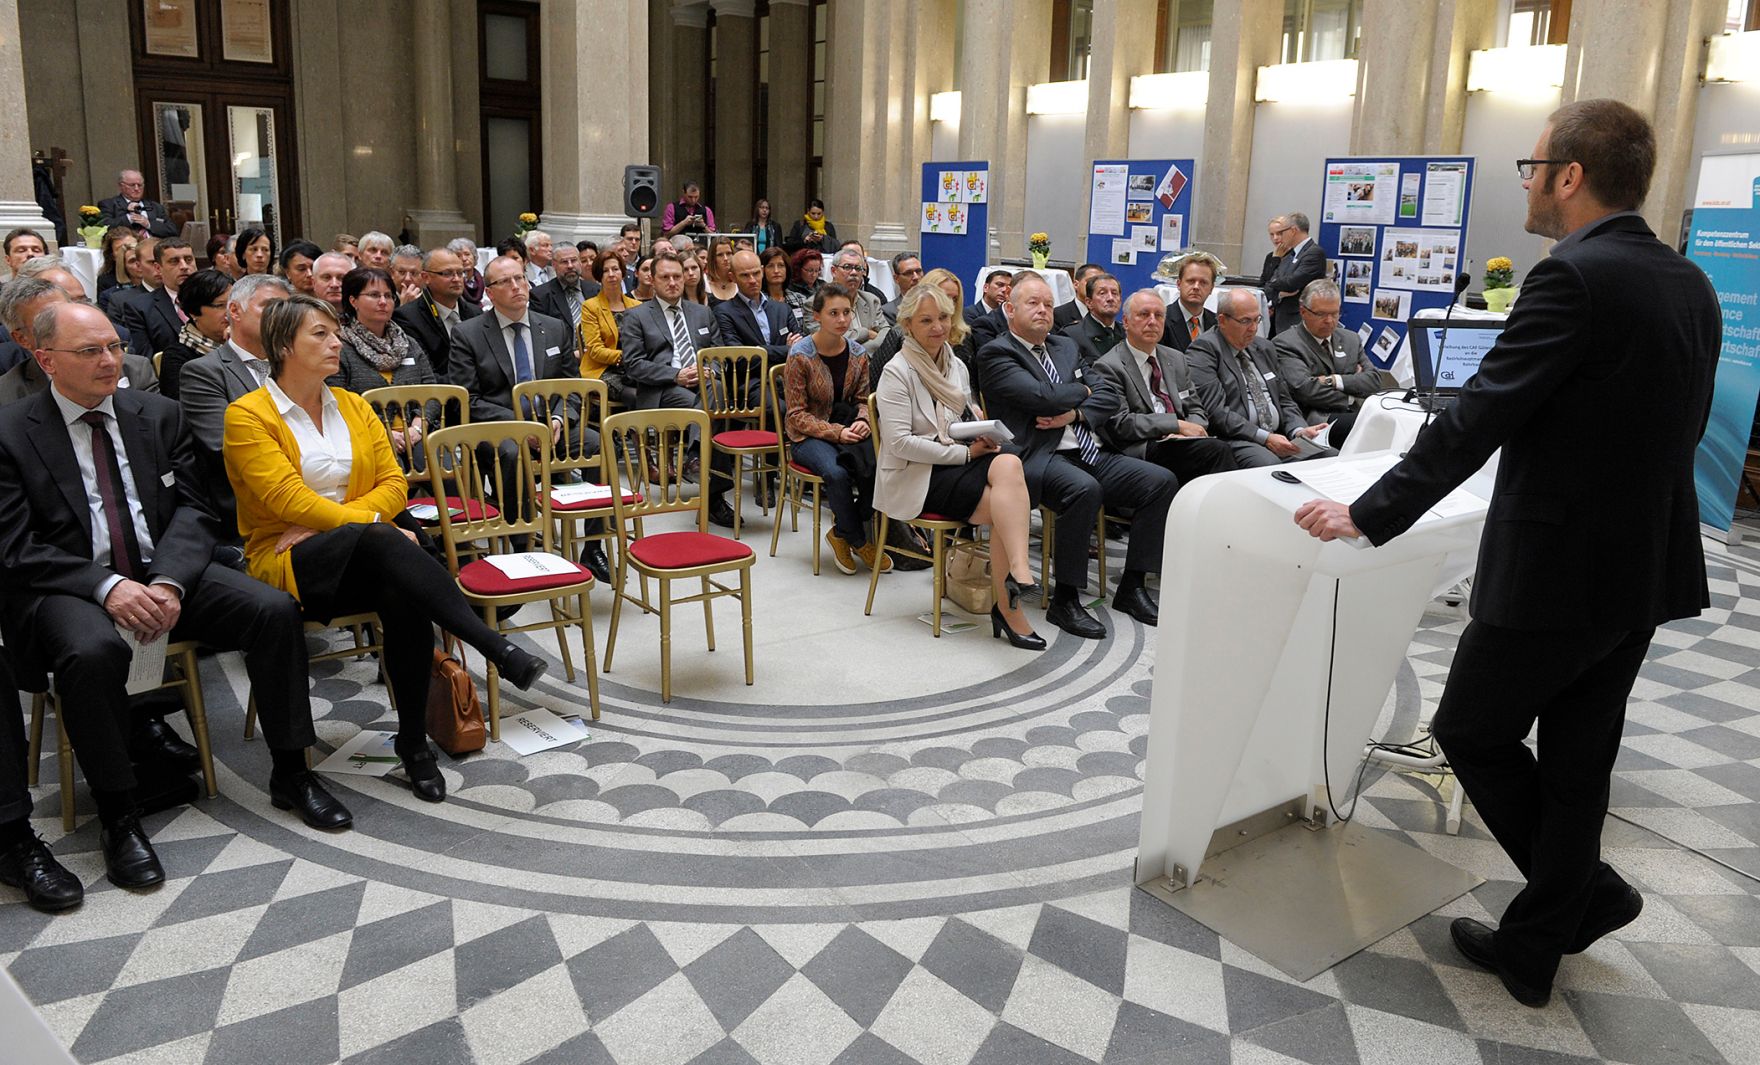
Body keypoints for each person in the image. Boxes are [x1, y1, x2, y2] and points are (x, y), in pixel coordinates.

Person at [1297, 98, 1723, 1008]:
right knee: (1578, 762)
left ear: (1570, 176)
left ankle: (1584, 894)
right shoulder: (1689, 281)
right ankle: (1539, 942)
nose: (1527, 185)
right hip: (1643, 567)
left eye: (1532, 168)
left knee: (1471, 730)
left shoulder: (1571, 276)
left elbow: (1479, 415)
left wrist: (1370, 513)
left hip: (1556, 573)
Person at [0, 302, 344, 907]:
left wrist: (167, 583)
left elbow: (193, 510)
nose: (111, 361)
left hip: (165, 571)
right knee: (91, 651)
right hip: (70, 584)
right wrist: (108, 587)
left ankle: (293, 770)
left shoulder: (156, 414)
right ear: (45, 359)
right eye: (90, 352)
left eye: (113, 345)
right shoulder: (12, 432)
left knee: (271, 610)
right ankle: (120, 815)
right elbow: (16, 545)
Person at [224, 295, 549, 807]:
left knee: (404, 591)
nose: (337, 343)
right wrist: (362, 524)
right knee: (387, 541)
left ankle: (413, 742)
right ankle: (493, 646)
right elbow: (285, 499)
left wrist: (337, 524)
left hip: (358, 552)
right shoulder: (248, 416)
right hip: (287, 561)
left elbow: (395, 484)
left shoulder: (353, 405)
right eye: (321, 334)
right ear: (284, 345)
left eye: (336, 333)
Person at [977, 272, 1174, 634]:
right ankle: (1065, 600)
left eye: (1049, 304)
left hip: (1088, 449)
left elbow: (1107, 394)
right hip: (1036, 457)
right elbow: (1042, 398)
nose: (1043, 311)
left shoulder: (1065, 345)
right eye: (1033, 303)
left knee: (1159, 482)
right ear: (1009, 309)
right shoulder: (996, 352)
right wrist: (1079, 389)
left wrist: (1075, 410)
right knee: (1084, 490)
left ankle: (1132, 586)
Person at [874, 282, 1044, 650]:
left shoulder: (955, 364)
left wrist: (980, 427)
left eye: (944, 318)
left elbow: (956, 420)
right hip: (917, 474)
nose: (938, 327)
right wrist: (967, 454)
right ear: (908, 326)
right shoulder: (896, 371)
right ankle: (1011, 602)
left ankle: (1017, 577)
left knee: (1009, 463)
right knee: (1007, 504)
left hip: (955, 458)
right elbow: (901, 443)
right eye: (927, 320)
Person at [446, 255, 602, 571]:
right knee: (511, 452)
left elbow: (571, 386)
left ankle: (593, 544)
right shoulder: (469, 334)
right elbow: (469, 399)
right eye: (505, 281)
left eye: (520, 278)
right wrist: (520, 427)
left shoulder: (555, 328)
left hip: (551, 424)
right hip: (500, 428)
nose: (517, 286)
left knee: (596, 442)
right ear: (489, 292)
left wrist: (558, 418)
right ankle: (524, 542)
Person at [618, 253, 738, 528]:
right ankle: (714, 494)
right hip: (664, 389)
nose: (672, 282)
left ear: (685, 278)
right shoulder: (636, 316)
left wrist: (711, 370)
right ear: (652, 280)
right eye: (665, 277)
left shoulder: (702, 312)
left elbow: (719, 354)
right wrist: (676, 374)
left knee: (714, 392)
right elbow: (634, 366)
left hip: (705, 385)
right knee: (714, 408)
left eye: (677, 276)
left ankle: (697, 457)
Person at [782, 283, 889, 575]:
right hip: (808, 435)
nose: (842, 319)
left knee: (880, 466)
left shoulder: (857, 353)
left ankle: (841, 531)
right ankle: (856, 538)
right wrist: (836, 432)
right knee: (836, 473)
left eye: (846, 312)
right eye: (833, 313)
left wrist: (864, 420)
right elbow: (796, 415)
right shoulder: (801, 355)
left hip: (848, 426)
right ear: (817, 316)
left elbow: (863, 399)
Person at [1088, 289, 1238, 489]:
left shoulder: (1176, 359)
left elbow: (1196, 408)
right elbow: (1120, 423)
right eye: (1144, 315)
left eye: (1159, 315)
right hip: (1142, 445)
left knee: (1219, 453)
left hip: (1182, 442)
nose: (1152, 321)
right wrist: (1174, 425)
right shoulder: (1109, 366)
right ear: (1125, 322)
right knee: (1217, 451)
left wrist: (1187, 431)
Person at [179, 273, 294, 528]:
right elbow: (226, 446)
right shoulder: (203, 372)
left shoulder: (296, 365)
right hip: (250, 505)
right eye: (270, 306)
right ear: (235, 310)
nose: (281, 316)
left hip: (313, 487)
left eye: (286, 309)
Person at [1185, 288, 1332, 467]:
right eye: (1245, 321)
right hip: (1238, 440)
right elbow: (1217, 412)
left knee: (1330, 457)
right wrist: (1265, 438)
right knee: (1268, 465)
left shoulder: (1264, 348)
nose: (1254, 328)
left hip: (1278, 435)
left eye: (1257, 319)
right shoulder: (1204, 350)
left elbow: (1284, 399)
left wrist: (1299, 430)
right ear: (1222, 320)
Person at [0, 272, 159, 404]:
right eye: (47, 320)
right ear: (22, 339)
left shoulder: (135, 370)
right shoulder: (7, 394)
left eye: (68, 310)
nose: (66, 321)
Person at [1273, 279, 1392, 447]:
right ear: (1303, 311)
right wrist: (1352, 394)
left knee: (1392, 422)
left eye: (1334, 313)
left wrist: (1334, 380)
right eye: (1321, 314)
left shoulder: (1351, 339)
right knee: (1373, 428)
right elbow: (1305, 390)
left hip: (1355, 411)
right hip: (1317, 418)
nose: (1329, 321)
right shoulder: (1286, 343)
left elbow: (1374, 381)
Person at [331, 268, 439, 421]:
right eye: (374, 295)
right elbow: (339, 404)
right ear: (353, 301)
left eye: (388, 296)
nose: (383, 302)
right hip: (367, 437)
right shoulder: (340, 347)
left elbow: (432, 392)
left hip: (417, 435)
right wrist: (385, 432)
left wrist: (418, 427)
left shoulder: (409, 344)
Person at [393, 246, 483, 380]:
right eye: (447, 273)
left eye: (460, 272)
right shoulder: (407, 317)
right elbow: (424, 374)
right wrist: (473, 380)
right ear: (426, 277)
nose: (457, 279)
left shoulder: (475, 313)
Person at [714, 249, 801, 377]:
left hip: (789, 377)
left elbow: (800, 348)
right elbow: (739, 360)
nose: (752, 280)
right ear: (732, 277)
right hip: (753, 383)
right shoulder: (724, 312)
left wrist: (759, 350)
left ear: (762, 271)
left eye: (756, 273)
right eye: (745, 275)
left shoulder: (783, 309)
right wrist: (787, 350)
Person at [157, 268, 232, 400]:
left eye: (233, 305)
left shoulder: (246, 342)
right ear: (193, 311)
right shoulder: (177, 357)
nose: (230, 313)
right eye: (220, 305)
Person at [119, 238, 197, 359]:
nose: (184, 266)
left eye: (188, 260)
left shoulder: (215, 298)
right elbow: (146, 358)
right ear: (158, 268)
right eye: (174, 261)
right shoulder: (140, 308)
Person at [578, 250, 636, 403]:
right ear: (599, 276)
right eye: (605, 271)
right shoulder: (590, 306)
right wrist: (625, 358)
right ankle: (632, 427)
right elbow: (595, 350)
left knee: (658, 389)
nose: (611, 274)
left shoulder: (636, 305)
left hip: (633, 368)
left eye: (615, 269)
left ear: (622, 273)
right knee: (636, 395)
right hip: (602, 370)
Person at [1263, 212, 1323, 336]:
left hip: (1298, 321)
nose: (1277, 238)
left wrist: (1273, 283)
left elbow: (1292, 283)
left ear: (1293, 230)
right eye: (1272, 234)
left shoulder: (1314, 253)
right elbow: (1267, 285)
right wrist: (1278, 293)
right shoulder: (1290, 254)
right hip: (1280, 321)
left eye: (1281, 233)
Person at [1059, 271, 1124, 366]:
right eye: (1102, 293)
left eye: (1115, 293)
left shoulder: (1127, 333)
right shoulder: (1072, 334)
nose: (1110, 298)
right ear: (1089, 303)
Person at [1160, 251, 1222, 352]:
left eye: (1203, 282)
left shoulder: (1218, 324)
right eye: (1191, 281)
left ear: (1211, 288)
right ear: (1179, 284)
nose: (1196, 287)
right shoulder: (1162, 320)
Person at [531, 242, 595, 335]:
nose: (570, 266)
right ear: (554, 265)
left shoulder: (595, 290)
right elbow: (541, 334)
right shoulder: (540, 296)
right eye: (564, 262)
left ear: (580, 262)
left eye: (573, 260)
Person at [828, 248, 886, 347]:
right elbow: (829, 338)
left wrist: (863, 353)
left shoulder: (871, 300)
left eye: (858, 268)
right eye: (847, 267)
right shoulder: (817, 303)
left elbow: (886, 333)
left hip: (873, 359)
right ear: (834, 271)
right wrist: (866, 333)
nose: (854, 273)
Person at [96, 169, 178, 237]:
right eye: (132, 185)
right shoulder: (109, 204)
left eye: (140, 185)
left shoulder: (155, 207)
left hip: (154, 247)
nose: (136, 188)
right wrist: (129, 218)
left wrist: (149, 224)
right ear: (121, 186)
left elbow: (172, 230)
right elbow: (103, 228)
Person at [966, 270, 1013, 352]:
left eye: (1008, 287)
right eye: (999, 285)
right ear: (985, 288)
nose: (1004, 290)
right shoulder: (969, 314)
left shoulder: (1009, 316)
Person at [1053, 263, 1104, 331]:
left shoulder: (1105, 313)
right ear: (1076, 284)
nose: (1095, 286)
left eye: (1100, 283)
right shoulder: (1058, 315)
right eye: (1091, 281)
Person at [879, 253, 923, 325]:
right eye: (908, 273)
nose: (916, 277)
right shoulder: (888, 311)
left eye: (918, 271)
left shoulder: (935, 304)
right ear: (896, 279)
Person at [97, 226, 139, 301]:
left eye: (133, 245)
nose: (129, 250)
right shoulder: (106, 281)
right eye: (120, 249)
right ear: (112, 255)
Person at [785, 248, 823, 331]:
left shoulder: (823, 286)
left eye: (817, 271)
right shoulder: (790, 288)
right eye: (809, 270)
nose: (813, 275)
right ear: (798, 269)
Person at [449, 236, 485, 306]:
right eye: (458, 256)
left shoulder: (483, 280)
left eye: (467, 254)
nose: (464, 259)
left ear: (474, 256)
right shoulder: (453, 282)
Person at [704, 237, 739, 304]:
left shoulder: (739, 282)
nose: (725, 258)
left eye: (728, 253)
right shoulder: (705, 283)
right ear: (713, 258)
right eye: (720, 255)